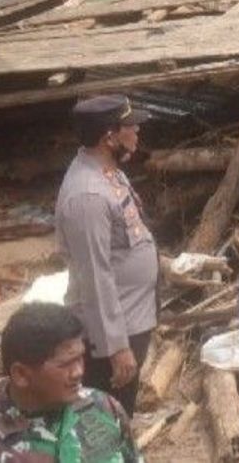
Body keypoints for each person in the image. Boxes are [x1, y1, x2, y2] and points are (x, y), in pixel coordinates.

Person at [54, 95, 158, 417]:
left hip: (132, 317)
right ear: (108, 137)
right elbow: (95, 278)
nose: (137, 130)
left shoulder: (107, 171)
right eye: (130, 126)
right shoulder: (88, 197)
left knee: (120, 416)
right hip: (113, 335)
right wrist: (116, 347)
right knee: (107, 421)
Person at [0, 303, 141, 461]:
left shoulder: (102, 406)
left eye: (80, 358)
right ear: (21, 374)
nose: (79, 372)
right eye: (65, 364)